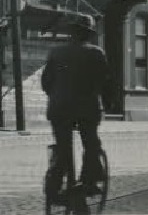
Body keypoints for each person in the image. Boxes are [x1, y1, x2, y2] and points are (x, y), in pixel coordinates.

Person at [41, 13, 112, 197]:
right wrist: (105, 103)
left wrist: (58, 96)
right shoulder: (96, 53)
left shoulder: (56, 52)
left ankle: (55, 181)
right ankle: (88, 181)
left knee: (63, 146)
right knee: (91, 143)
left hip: (59, 107)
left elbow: (46, 82)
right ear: (89, 35)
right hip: (86, 108)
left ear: (71, 32)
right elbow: (104, 83)